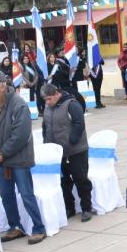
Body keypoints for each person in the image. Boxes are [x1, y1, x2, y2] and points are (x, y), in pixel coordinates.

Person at [0, 71, 47, 243]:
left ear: (2, 86)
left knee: (26, 194)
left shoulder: (19, 104)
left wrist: (2, 153)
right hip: (1, 160)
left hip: (19, 159)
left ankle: (39, 228)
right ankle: (14, 227)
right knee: (6, 195)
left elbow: (21, 134)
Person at [41, 83, 94, 222]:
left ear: (57, 94)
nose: (47, 102)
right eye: (45, 100)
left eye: (49, 99)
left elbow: (79, 124)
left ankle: (86, 208)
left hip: (76, 151)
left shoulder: (71, 104)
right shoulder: (48, 107)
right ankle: (69, 207)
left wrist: (71, 141)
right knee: (64, 182)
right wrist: (46, 143)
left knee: (80, 179)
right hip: (57, 153)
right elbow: (45, 127)